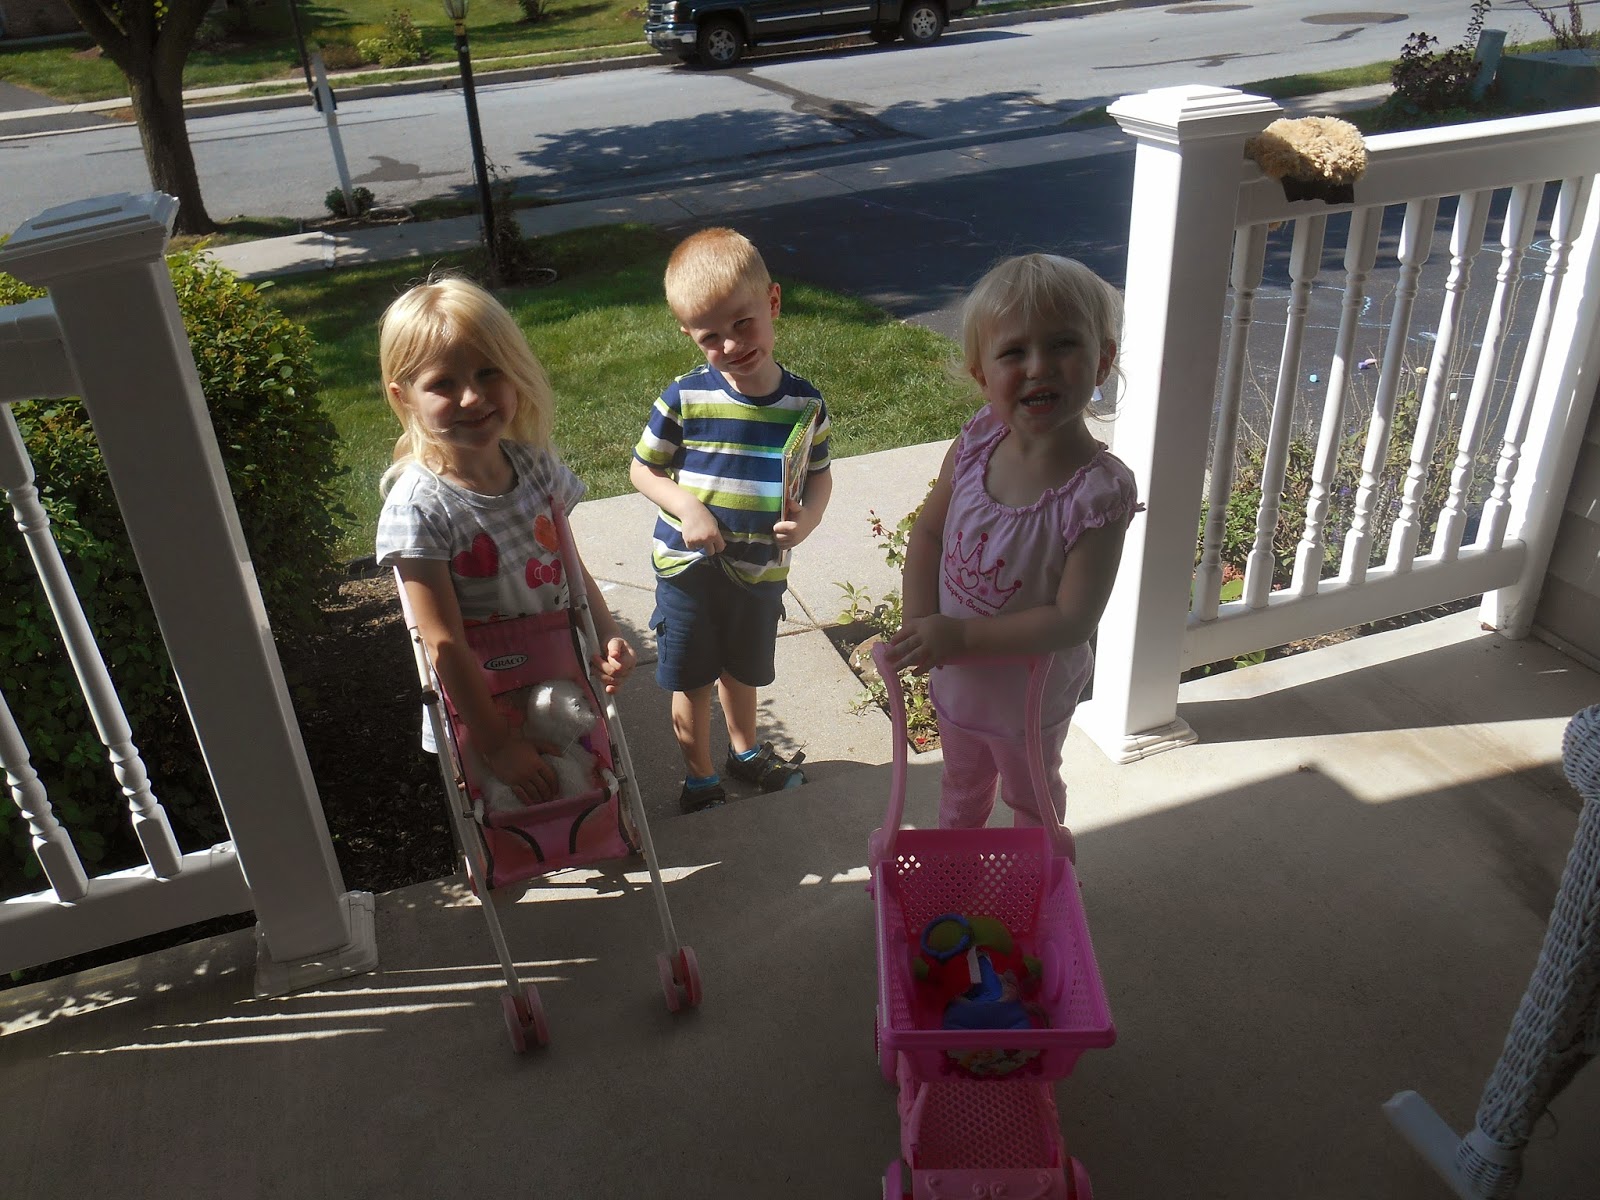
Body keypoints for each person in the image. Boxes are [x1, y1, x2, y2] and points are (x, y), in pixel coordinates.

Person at [889, 254, 1141, 861]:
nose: (1038, 367)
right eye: (1013, 352)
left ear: (1103, 360)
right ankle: (956, 872)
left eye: (1062, 344)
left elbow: (1072, 620)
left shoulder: (1097, 494)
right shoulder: (978, 441)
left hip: (1029, 701)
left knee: (1032, 798)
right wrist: (920, 623)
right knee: (961, 786)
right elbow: (929, 533)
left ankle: (1037, 884)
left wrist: (959, 637)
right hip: (959, 682)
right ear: (982, 374)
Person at [375, 274, 635, 806]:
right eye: (443, 384)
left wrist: (606, 634)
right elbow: (442, 642)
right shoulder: (418, 508)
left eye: (488, 372)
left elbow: (572, 570)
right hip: (481, 710)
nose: (472, 396)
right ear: (405, 397)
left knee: (587, 798)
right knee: (503, 817)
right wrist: (496, 743)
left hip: (556, 680)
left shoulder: (538, 471)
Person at [630, 227, 834, 813]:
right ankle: (699, 779)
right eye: (710, 337)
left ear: (773, 301)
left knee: (743, 670)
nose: (731, 344)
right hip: (690, 568)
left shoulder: (804, 405)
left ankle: (744, 752)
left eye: (743, 324)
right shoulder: (684, 398)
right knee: (692, 676)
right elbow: (643, 469)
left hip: (760, 569)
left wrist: (808, 522)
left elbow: (820, 476)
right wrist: (688, 507)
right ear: (689, 336)